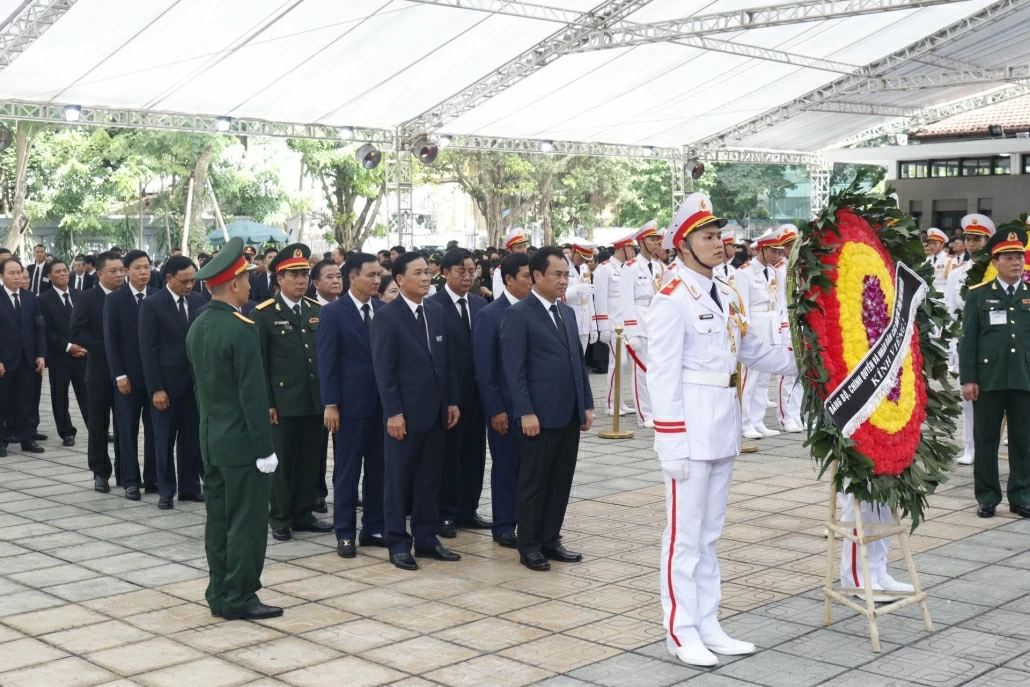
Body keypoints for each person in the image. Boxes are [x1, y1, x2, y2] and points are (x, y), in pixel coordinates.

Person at [646, 193, 797, 667]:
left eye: (719, 236)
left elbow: (752, 353)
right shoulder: (672, 299)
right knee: (683, 538)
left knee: (709, 535)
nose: (720, 243)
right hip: (688, 430)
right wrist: (669, 440)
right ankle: (681, 629)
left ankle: (708, 621)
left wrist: (808, 363)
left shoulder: (727, 294)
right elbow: (662, 375)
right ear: (683, 245)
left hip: (723, 426)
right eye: (708, 237)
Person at [186, 236, 282, 621]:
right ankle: (240, 596)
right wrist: (265, 449)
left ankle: (219, 592)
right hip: (243, 446)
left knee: (219, 522)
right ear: (232, 284)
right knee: (247, 523)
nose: (249, 285)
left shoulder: (199, 325)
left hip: (212, 441)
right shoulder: (241, 329)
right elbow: (252, 397)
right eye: (245, 280)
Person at [501, 246, 593, 571]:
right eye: (557, 274)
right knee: (534, 482)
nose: (564, 280)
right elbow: (514, 370)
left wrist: (587, 404)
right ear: (537, 275)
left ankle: (551, 539)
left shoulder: (566, 312)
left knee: (561, 479)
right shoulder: (518, 314)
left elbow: (576, 362)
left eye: (567, 274)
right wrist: (525, 411)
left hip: (568, 413)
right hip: (538, 416)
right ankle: (529, 545)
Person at [371, 251, 461, 571]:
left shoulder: (435, 312)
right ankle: (397, 542)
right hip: (403, 417)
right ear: (399, 279)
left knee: (428, 479)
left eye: (427, 272)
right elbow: (385, 370)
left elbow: (445, 362)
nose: (426, 278)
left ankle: (426, 537)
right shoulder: (386, 316)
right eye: (418, 273)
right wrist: (393, 412)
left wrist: (451, 401)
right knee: (397, 480)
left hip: (435, 413)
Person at [252, 244, 333, 541]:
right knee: (283, 463)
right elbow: (259, 363)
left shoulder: (317, 310)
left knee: (311, 460)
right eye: (294, 274)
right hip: (283, 402)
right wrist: (268, 403)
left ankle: (304, 512)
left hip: (315, 399)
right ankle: (281, 517)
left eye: (305, 274)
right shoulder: (263, 314)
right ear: (278, 279)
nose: (301, 280)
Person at [318, 252, 387, 557]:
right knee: (347, 472)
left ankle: (373, 527)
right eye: (370, 275)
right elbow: (327, 362)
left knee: (379, 470)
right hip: (349, 406)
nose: (377, 280)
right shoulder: (334, 313)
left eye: (379, 275)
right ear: (353, 278)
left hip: (383, 406)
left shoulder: (385, 310)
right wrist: (330, 403)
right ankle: (344, 532)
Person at [961, 226, 1030, 519]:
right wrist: (968, 379)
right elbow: (969, 339)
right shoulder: (978, 296)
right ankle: (988, 496)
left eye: (1019, 256)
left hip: (1024, 378)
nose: (1016, 262)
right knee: (986, 439)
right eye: (1009, 257)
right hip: (987, 380)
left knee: (1023, 440)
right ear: (995, 262)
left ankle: (1022, 495)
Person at [474, 253, 532, 548]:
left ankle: (529, 523)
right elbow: (485, 370)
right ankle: (504, 525)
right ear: (508, 280)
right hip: (506, 408)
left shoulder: (535, 311)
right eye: (526, 276)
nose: (532, 282)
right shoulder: (490, 314)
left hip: (533, 408)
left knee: (532, 469)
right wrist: (495, 409)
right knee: (507, 466)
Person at [431, 248, 491, 537]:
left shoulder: (481, 305)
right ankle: (445, 513)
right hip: (449, 397)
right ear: (445, 273)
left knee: (475, 455)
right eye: (461, 271)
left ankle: (469, 509)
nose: (468, 277)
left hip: (478, 396)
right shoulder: (433, 306)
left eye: (471, 271)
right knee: (447, 457)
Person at [138, 256, 205, 509]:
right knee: (164, 438)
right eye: (184, 281)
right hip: (165, 385)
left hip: (193, 385)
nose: (190, 286)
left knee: (192, 438)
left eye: (192, 281)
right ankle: (166, 489)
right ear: (169, 278)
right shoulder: (152, 305)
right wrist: (156, 388)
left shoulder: (199, 301)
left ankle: (190, 487)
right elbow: (148, 350)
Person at [105, 250, 158, 499]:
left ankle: (153, 478)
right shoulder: (115, 300)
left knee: (155, 430)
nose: (143, 272)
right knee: (126, 430)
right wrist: (119, 375)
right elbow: (111, 341)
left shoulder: (158, 297)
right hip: (127, 378)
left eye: (146, 267)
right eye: (137, 268)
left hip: (154, 379)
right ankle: (130, 480)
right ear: (126, 271)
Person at [71, 252, 124, 491]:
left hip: (126, 371)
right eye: (113, 271)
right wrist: (107, 348)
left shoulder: (128, 297)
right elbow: (78, 332)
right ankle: (100, 472)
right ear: (100, 274)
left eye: (122, 270)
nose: (120, 275)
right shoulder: (86, 299)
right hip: (99, 371)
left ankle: (126, 471)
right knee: (98, 424)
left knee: (125, 425)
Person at [945, 214, 995, 465]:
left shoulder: (996, 271)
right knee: (968, 401)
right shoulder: (957, 273)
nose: (973, 244)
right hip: (967, 344)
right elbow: (951, 312)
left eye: (978, 239)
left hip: (994, 344)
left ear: (988, 240)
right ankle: (970, 447)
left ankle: (991, 447)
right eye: (969, 238)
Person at [737, 229, 784, 439]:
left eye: (779, 252)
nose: (777, 256)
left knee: (765, 378)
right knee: (750, 378)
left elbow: (779, 303)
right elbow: (741, 305)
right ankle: (744, 422)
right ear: (762, 250)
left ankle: (758, 420)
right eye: (774, 251)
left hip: (771, 324)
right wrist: (747, 332)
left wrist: (781, 328)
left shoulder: (775, 273)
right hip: (755, 325)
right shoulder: (744, 272)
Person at [38, 259, 88, 447]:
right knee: (60, 395)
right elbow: (47, 329)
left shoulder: (80, 295)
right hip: (60, 355)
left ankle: (96, 428)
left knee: (87, 393)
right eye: (57, 272)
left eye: (65, 270)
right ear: (50, 276)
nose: (63, 274)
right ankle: (66, 431)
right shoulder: (43, 300)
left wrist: (83, 346)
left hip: (82, 354)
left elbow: (88, 323)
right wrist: (68, 346)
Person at [0, 256, 46, 457]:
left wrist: (41, 355)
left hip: (28, 359)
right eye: (11, 273)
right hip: (4, 360)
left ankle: (28, 439)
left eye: (19, 273)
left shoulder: (30, 297)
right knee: (3, 402)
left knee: (28, 401)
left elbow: (39, 329)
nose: (17, 277)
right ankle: (2, 441)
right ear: (2, 276)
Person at [620, 221, 665, 428]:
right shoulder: (630, 268)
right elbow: (626, 302)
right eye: (651, 239)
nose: (656, 243)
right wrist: (632, 332)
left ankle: (656, 409)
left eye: (657, 239)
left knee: (657, 371)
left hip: (657, 322)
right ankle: (644, 413)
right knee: (641, 371)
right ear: (641, 242)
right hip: (640, 320)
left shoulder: (659, 267)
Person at [594, 232, 637, 416]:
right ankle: (610, 403)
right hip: (612, 324)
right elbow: (600, 298)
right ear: (623, 248)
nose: (634, 252)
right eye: (631, 248)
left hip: (625, 323)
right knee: (618, 362)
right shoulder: (604, 268)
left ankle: (619, 402)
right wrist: (602, 325)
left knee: (624, 365)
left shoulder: (627, 268)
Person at [772, 225, 804, 433]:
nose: (791, 248)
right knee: (787, 372)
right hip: (785, 325)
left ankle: (797, 413)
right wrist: (783, 326)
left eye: (794, 244)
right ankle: (786, 416)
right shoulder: (779, 271)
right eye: (787, 245)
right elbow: (778, 303)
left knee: (801, 372)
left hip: (801, 323)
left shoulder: (800, 267)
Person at [564, 239, 598, 354]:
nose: (584, 261)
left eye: (586, 259)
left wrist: (593, 326)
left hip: (584, 319)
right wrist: (575, 290)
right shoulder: (562, 265)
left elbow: (589, 299)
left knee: (581, 358)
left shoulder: (584, 267)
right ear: (574, 251)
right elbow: (556, 296)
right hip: (568, 316)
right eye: (582, 257)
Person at [492, 228, 529, 299]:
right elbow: (499, 298)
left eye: (524, 246)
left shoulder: (532, 267)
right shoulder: (500, 271)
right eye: (519, 247)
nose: (523, 250)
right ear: (510, 250)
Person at [925, 227, 953, 294]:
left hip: (942, 294)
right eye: (930, 243)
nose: (931, 246)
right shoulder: (928, 259)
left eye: (934, 243)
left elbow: (951, 282)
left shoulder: (949, 260)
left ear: (942, 244)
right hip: (927, 293)